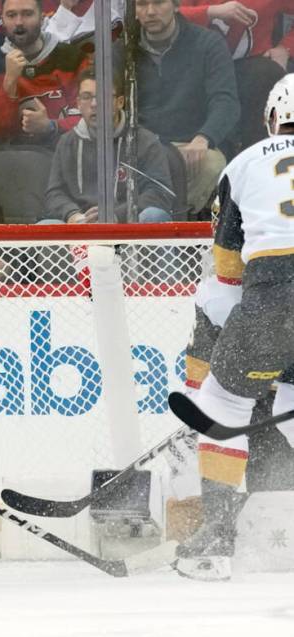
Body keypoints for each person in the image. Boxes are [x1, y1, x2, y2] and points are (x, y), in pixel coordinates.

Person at [173, 74, 294, 581]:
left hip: (276, 288)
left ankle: (215, 541)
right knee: (288, 403)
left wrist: (216, 355)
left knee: (223, 403)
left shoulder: (247, 161)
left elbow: (225, 270)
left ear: (271, 119)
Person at [132, 0, 240, 215]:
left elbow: (225, 101)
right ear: (133, 11)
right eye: (142, 4)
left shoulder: (208, 43)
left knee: (209, 164)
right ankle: (144, 220)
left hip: (192, 143)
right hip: (143, 147)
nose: (151, 11)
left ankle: (170, 219)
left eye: (159, 3)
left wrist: (204, 138)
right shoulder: (122, 50)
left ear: (176, 5)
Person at [45, 68, 174, 224]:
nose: (94, 104)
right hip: (82, 227)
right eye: (86, 97)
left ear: (120, 102)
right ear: (78, 104)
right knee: (45, 226)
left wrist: (116, 215)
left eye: (103, 96)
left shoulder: (145, 141)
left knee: (154, 216)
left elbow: (160, 193)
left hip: (128, 225)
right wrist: (73, 215)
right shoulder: (67, 142)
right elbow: (54, 193)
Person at [179, 0, 291, 151]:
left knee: (269, 74)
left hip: (249, 68)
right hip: (193, 67)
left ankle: (258, 157)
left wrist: (286, 48)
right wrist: (210, 12)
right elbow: (162, 13)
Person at [0, 0, 87, 148]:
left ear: (42, 18)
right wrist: (9, 82)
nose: (19, 22)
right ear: (2, 20)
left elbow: (90, 118)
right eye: (11, 15)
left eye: (27, 14)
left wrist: (51, 126)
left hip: (65, 153)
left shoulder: (72, 58)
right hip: (13, 160)